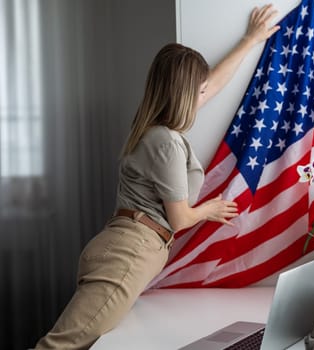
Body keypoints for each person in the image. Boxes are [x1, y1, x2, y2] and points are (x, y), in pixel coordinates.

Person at [35, 4, 279, 349]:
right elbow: (179, 219)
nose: (202, 93)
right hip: (127, 255)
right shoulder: (164, 141)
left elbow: (212, 85)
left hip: (126, 250)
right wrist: (209, 210)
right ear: (183, 93)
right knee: (60, 345)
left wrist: (250, 40)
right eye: (197, 88)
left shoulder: (154, 129)